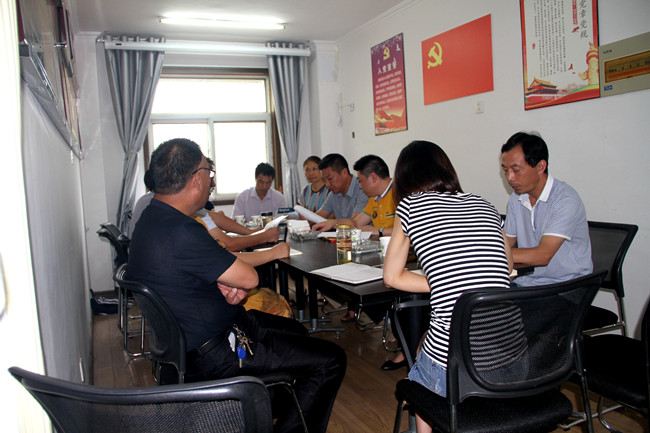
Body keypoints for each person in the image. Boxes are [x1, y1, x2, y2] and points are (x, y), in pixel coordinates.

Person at [128, 138, 346, 433]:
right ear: (196, 179)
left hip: (198, 339)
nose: (211, 180)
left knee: (295, 331)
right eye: (209, 172)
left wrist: (219, 283)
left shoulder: (151, 219)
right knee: (330, 360)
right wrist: (230, 280)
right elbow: (250, 279)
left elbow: (186, 273)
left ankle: (274, 405)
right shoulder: (183, 229)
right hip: (217, 351)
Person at [383, 140, 515, 433]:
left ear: (403, 177)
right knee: (428, 342)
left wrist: (445, 283)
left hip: (454, 362)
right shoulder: (484, 203)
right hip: (509, 354)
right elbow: (507, 267)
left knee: (422, 365)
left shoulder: (409, 205)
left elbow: (391, 277)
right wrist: (450, 282)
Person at [312, 154, 395, 327]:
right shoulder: (374, 199)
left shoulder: (399, 194)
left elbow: (410, 230)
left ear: (373, 178)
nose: (360, 186)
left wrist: (379, 231)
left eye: (361, 181)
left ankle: (391, 319)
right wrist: (333, 223)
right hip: (381, 256)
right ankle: (383, 316)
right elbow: (356, 223)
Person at [501, 132, 592, 286]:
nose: (510, 177)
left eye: (516, 170)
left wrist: (490, 252)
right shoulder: (517, 198)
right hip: (527, 281)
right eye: (505, 170)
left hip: (566, 285)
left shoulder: (565, 200)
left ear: (540, 166)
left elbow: (543, 255)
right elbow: (506, 244)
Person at [315, 153, 369, 221]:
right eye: (324, 180)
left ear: (344, 172)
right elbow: (318, 216)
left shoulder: (363, 189)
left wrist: (332, 223)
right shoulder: (333, 193)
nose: (327, 185)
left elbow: (356, 222)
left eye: (330, 178)